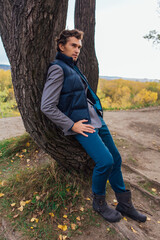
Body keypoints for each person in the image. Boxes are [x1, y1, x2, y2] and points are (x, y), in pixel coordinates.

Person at [40, 29, 147, 223]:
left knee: (116, 159)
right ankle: (98, 203)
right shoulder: (58, 68)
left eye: (79, 47)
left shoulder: (73, 67)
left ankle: (124, 203)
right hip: (82, 124)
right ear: (61, 46)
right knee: (105, 161)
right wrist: (72, 125)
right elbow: (47, 105)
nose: (77, 50)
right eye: (73, 45)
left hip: (97, 120)